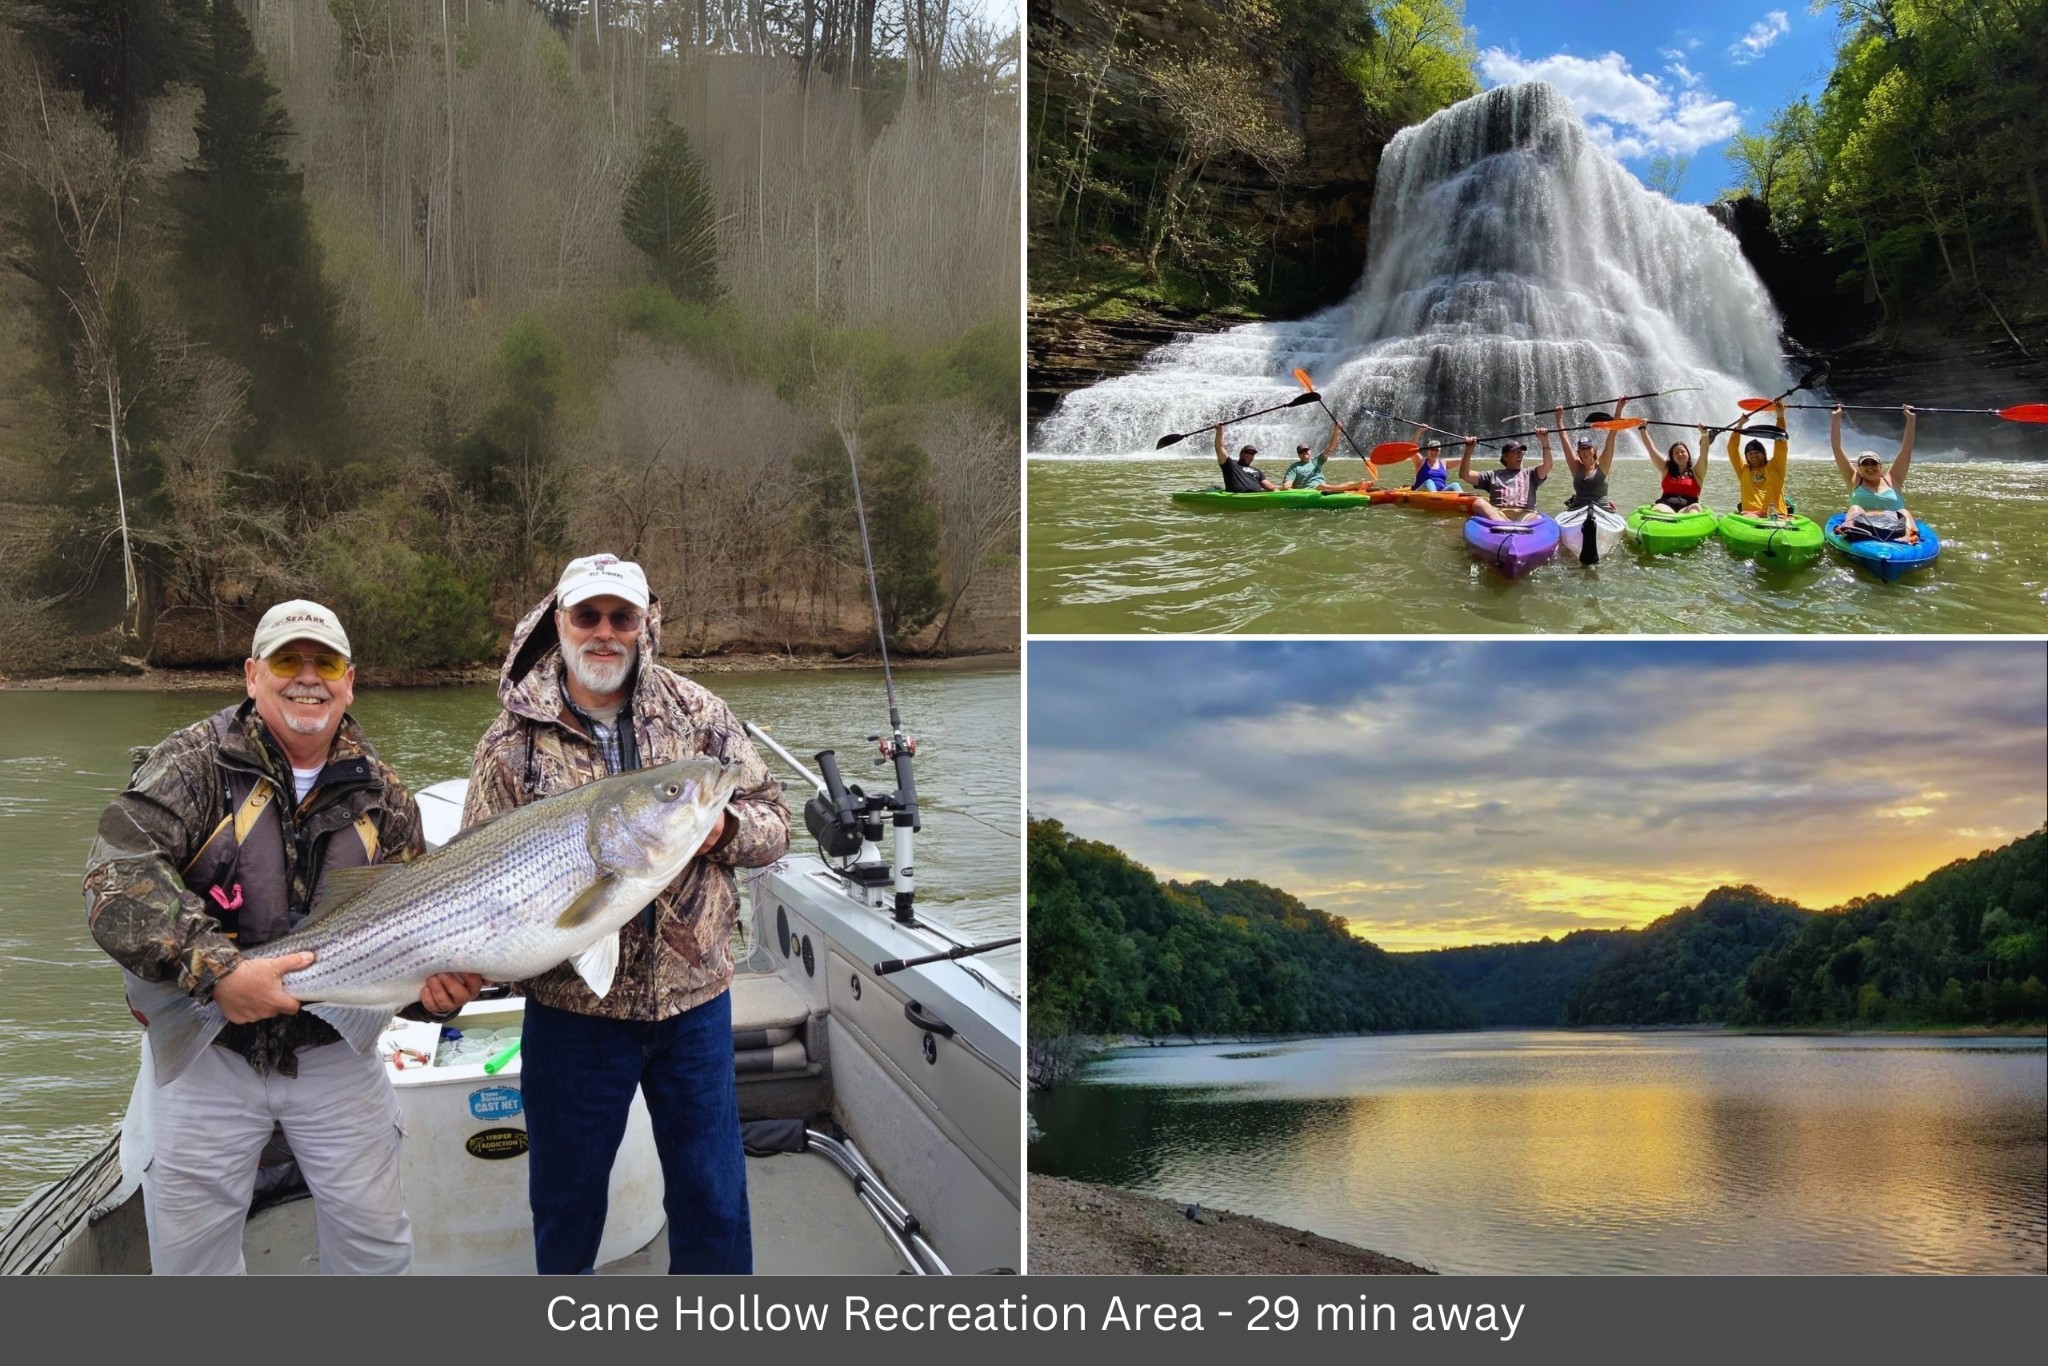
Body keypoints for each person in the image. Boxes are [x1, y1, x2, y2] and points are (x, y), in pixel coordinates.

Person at [82, 600, 483, 1275]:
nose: (307, 678)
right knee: (191, 1264)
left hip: (336, 1057)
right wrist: (217, 974)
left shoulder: (387, 800)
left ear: (348, 681)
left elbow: (407, 962)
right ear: (251, 675)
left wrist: (436, 998)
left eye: (324, 663)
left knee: (378, 1252)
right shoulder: (190, 765)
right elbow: (113, 876)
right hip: (208, 1059)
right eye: (286, 662)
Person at [462, 554, 791, 1275]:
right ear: (561, 623)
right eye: (589, 616)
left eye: (622, 617)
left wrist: (723, 829)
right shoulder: (507, 744)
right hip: (569, 1016)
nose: (605, 633)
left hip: (694, 1007)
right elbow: (473, 871)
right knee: (567, 1202)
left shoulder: (699, 716)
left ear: (645, 625)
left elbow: (775, 819)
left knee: (713, 1199)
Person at [1831, 403, 1921, 542]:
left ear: (1881, 466)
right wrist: (1836, 418)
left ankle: (1910, 536)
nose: (1870, 467)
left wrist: (1911, 419)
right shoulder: (1854, 479)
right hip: (1862, 525)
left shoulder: (1893, 479)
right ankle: (1850, 530)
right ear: (1859, 468)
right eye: (1864, 463)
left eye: (1873, 463)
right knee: (1855, 508)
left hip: (1895, 527)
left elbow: (1906, 449)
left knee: (1904, 512)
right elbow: (1836, 448)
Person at [1459, 427, 1554, 522]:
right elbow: (1465, 475)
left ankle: (1507, 526)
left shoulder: (1531, 473)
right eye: (1515, 452)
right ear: (1505, 457)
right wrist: (1468, 449)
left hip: (1525, 514)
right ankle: (1504, 524)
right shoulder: (1492, 475)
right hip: (1498, 513)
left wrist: (1545, 441)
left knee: (1537, 518)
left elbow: (1547, 466)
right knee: (1478, 503)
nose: (1519, 454)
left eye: (1521, 452)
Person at [1725, 401, 1791, 517]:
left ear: (1764, 454)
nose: (1753, 455)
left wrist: (1780, 416)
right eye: (1750, 454)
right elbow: (1732, 449)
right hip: (1751, 514)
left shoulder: (1775, 466)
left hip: (1777, 514)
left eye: (1756, 452)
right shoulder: (1743, 469)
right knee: (1750, 516)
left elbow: (1781, 443)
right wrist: (1739, 426)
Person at [1634, 421, 1710, 513]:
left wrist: (1704, 434)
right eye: (1676, 453)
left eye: (1682, 452)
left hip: (1689, 506)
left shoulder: (1697, 472)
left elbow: (1704, 454)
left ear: (1688, 454)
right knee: (1659, 510)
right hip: (1666, 505)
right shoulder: (1666, 468)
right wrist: (1642, 429)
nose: (1680, 454)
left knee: (1694, 510)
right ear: (1672, 457)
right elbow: (1651, 449)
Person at [1559, 402, 1620, 511]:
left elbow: (1612, 433)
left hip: (1602, 510)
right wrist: (1558, 418)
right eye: (1583, 448)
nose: (1586, 451)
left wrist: (1619, 406)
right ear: (1579, 452)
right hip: (1578, 509)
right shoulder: (1576, 467)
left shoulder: (1602, 465)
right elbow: (1565, 441)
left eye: (1588, 448)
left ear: (1593, 450)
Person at [1279, 421, 1343, 489]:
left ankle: (1352, 486)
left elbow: (1331, 447)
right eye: (1301, 452)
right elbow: (1287, 484)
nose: (1304, 452)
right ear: (1298, 455)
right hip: (1311, 492)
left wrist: (1337, 430)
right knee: (1321, 486)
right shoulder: (1294, 467)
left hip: (1324, 490)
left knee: (1349, 483)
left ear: (1310, 451)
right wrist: (1287, 487)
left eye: (1306, 450)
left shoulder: (1317, 460)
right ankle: (1346, 488)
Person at [1214, 427, 1277, 492]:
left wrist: (1280, 489)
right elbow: (1219, 448)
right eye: (1247, 452)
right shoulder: (1230, 464)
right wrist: (1219, 431)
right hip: (1239, 497)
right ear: (1240, 454)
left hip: (1257, 496)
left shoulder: (1257, 471)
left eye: (1252, 453)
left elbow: (1270, 486)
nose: (1249, 455)